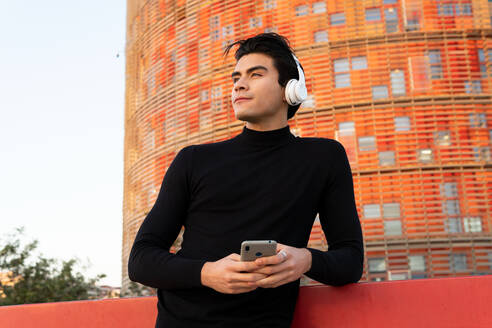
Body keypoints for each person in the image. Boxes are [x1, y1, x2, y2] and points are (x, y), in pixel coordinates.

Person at [128, 32, 364, 328]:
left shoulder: (324, 158)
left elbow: (351, 261)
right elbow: (140, 260)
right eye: (236, 77)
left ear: (290, 89)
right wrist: (208, 273)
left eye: (256, 74)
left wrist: (305, 260)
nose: (239, 84)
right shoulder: (193, 159)